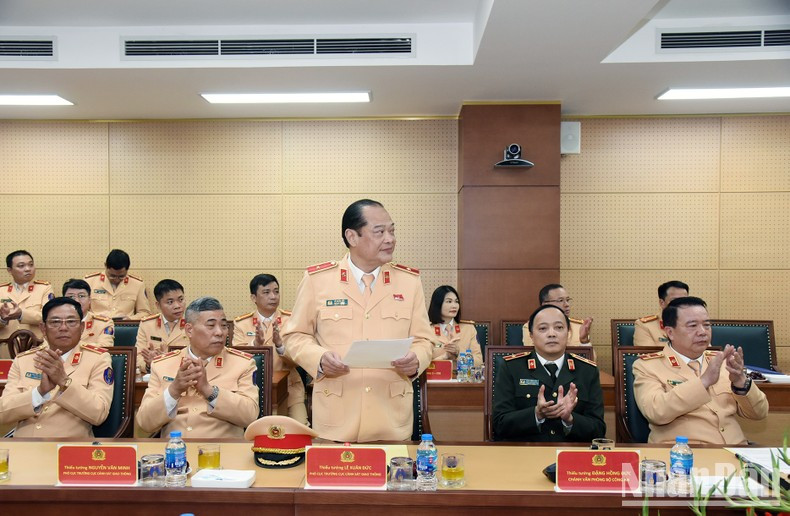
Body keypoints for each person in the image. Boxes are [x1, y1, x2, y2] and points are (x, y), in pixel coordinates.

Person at [282, 199, 433, 442]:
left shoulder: (409, 282)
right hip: (335, 422)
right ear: (352, 237)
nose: (390, 238)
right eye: (379, 231)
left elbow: (425, 340)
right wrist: (318, 359)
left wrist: (417, 360)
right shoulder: (318, 280)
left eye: (392, 230)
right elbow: (294, 336)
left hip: (391, 421)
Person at [633, 296, 768, 444]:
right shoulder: (647, 366)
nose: (703, 332)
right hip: (684, 455)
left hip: (735, 451)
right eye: (692, 326)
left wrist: (740, 382)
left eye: (707, 325)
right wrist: (704, 381)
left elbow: (759, 413)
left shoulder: (722, 361)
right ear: (670, 332)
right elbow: (655, 412)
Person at [136, 296, 259, 439]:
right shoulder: (162, 364)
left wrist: (209, 390)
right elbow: (144, 422)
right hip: (174, 451)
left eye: (224, 325)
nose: (220, 332)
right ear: (189, 330)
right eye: (211, 326)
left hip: (221, 452)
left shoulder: (242, 364)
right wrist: (174, 390)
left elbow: (250, 416)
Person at [0, 297, 113, 438]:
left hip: (69, 450)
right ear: (43, 328)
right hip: (24, 448)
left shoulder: (98, 359)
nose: (63, 328)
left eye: (71, 322)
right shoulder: (23, 360)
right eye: (55, 322)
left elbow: (98, 414)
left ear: (82, 328)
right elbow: (3, 413)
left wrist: (65, 382)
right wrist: (39, 393)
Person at [493, 304, 606, 442]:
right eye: (543, 328)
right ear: (531, 336)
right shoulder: (511, 367)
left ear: (569, 333)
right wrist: (536, 414)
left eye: (559, 327)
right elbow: (499, 424)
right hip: (524, 453)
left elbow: (599, 429)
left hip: (570, 455)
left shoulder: (587, 370)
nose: (552, 334)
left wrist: (570, 420)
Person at [232, 273, 308, 425]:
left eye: (276, 291)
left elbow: (300, 358)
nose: (273, 296)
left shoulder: (292, 320)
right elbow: (236, 359)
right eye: (266, 292)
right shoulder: (241, 324)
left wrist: (280, 346)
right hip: (253, 390)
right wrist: (255, 345)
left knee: (301, 430)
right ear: (254, 298)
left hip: (290, 390)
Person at [0, 250, 54, 356]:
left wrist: (21, 314)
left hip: (37, 347)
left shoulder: (45, 288)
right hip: (5, 349)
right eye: (21, 266)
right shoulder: (1, 290)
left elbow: (49, 317)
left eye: (31, 265)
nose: (28, 269)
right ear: (9, 270)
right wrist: (2, 319)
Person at [135, 279, 189, 374]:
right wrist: (148, 365)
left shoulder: (192, 324)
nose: (177, 306)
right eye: (170, 302)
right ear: (158, 305)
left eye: (181, 300)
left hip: (184, 376)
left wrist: (169, 361)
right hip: (155, 377)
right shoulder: (147, 324)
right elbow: (138, 357)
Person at [85, 249, 151, 320]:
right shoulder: (89, 282)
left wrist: (130, 319)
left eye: (121, 276)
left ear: (127, 269)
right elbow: (80, 310)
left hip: (124, 328)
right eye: (112, 276)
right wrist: (95, 317)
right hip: (96, 326)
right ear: (105, 266)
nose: (116, 279)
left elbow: (145, 313)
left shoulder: (138, 284)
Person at [522, 284, 593, 348]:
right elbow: (532, 354)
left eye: (567, 300)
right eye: (561, 300)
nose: (567, 305)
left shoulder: (579, 326)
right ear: (545, 304)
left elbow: (591, 360)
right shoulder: (532, 326)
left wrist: (584, 342)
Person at [427, 285, 482, 367]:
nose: (454, 306)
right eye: (449, 301)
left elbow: (479, 362)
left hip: (462, 378)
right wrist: (445, 357)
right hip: (436, 378)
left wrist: (458, 353)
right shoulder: (427, 330)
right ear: (438, 304)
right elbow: (421, 365)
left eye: (456, 301)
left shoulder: (469, 329)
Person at [633, 280, 689, 346]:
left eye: (684, 300)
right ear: (662, 303)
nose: (680, 304)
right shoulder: (645, 326)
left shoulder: (696, 324)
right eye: (675, 300)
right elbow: (648, 355)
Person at [63, 278, 114, 348]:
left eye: (81, 296)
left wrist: (73, 346)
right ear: (63, 300)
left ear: (89, 300)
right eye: (71, 296)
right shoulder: (54, 322)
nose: (77, 301)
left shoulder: (103, 324)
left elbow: (106, 346)